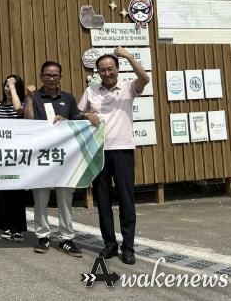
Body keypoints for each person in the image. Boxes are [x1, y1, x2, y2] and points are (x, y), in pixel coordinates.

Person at [78, 46, 150, 265]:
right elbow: (78, 113)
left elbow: (145, 78)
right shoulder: (91, 91)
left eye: (110, 69)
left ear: (117, 69)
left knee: (126, 200)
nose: (107, 73)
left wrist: (127, 55)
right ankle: (109, 244)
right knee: (103, 201)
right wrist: (86, 114)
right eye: (102, 70)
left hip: (122, 150)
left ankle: (128, 247)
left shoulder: (128, 87)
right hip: (98, 151)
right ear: (98, 72)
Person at [24, 61, 83, 257]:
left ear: (60, 77)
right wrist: (29, 99)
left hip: (64, 156)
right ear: (41, 76)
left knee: (65, 197)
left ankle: (67, 238)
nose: (51, 78)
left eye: (55, 75)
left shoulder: (68, 98)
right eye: (47, 75)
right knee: (40, 197)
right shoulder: (34, 96)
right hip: (41, 155)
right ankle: (42, 236)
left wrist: (67, 121)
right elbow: (28, 122)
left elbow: (77, 123)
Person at [0, 75, 27, 242]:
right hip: (0, 155)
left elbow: (18, 109)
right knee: (3, 193)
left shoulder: (23, 104)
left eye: (13, 85)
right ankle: (5, 226)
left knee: (17, 192)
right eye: (6, 85)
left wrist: (13, 89)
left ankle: (18, 228)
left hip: (18, 156)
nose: (8, 88)